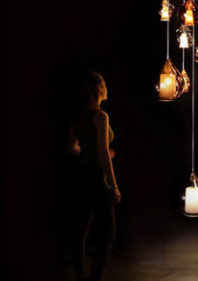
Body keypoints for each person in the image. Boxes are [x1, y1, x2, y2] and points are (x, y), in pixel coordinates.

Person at [67, 71, 121, 281]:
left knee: (81, 230)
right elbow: (103, 152)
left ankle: (80, 274)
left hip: (81, 175)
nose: (106, 86)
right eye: (104, 83)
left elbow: (71, 148)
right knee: (107, 232)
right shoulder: (100, 116)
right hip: (97, 177)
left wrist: (88, 151)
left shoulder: (79, 116)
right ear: (98, 88)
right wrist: (114, 186)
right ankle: (95, 277)